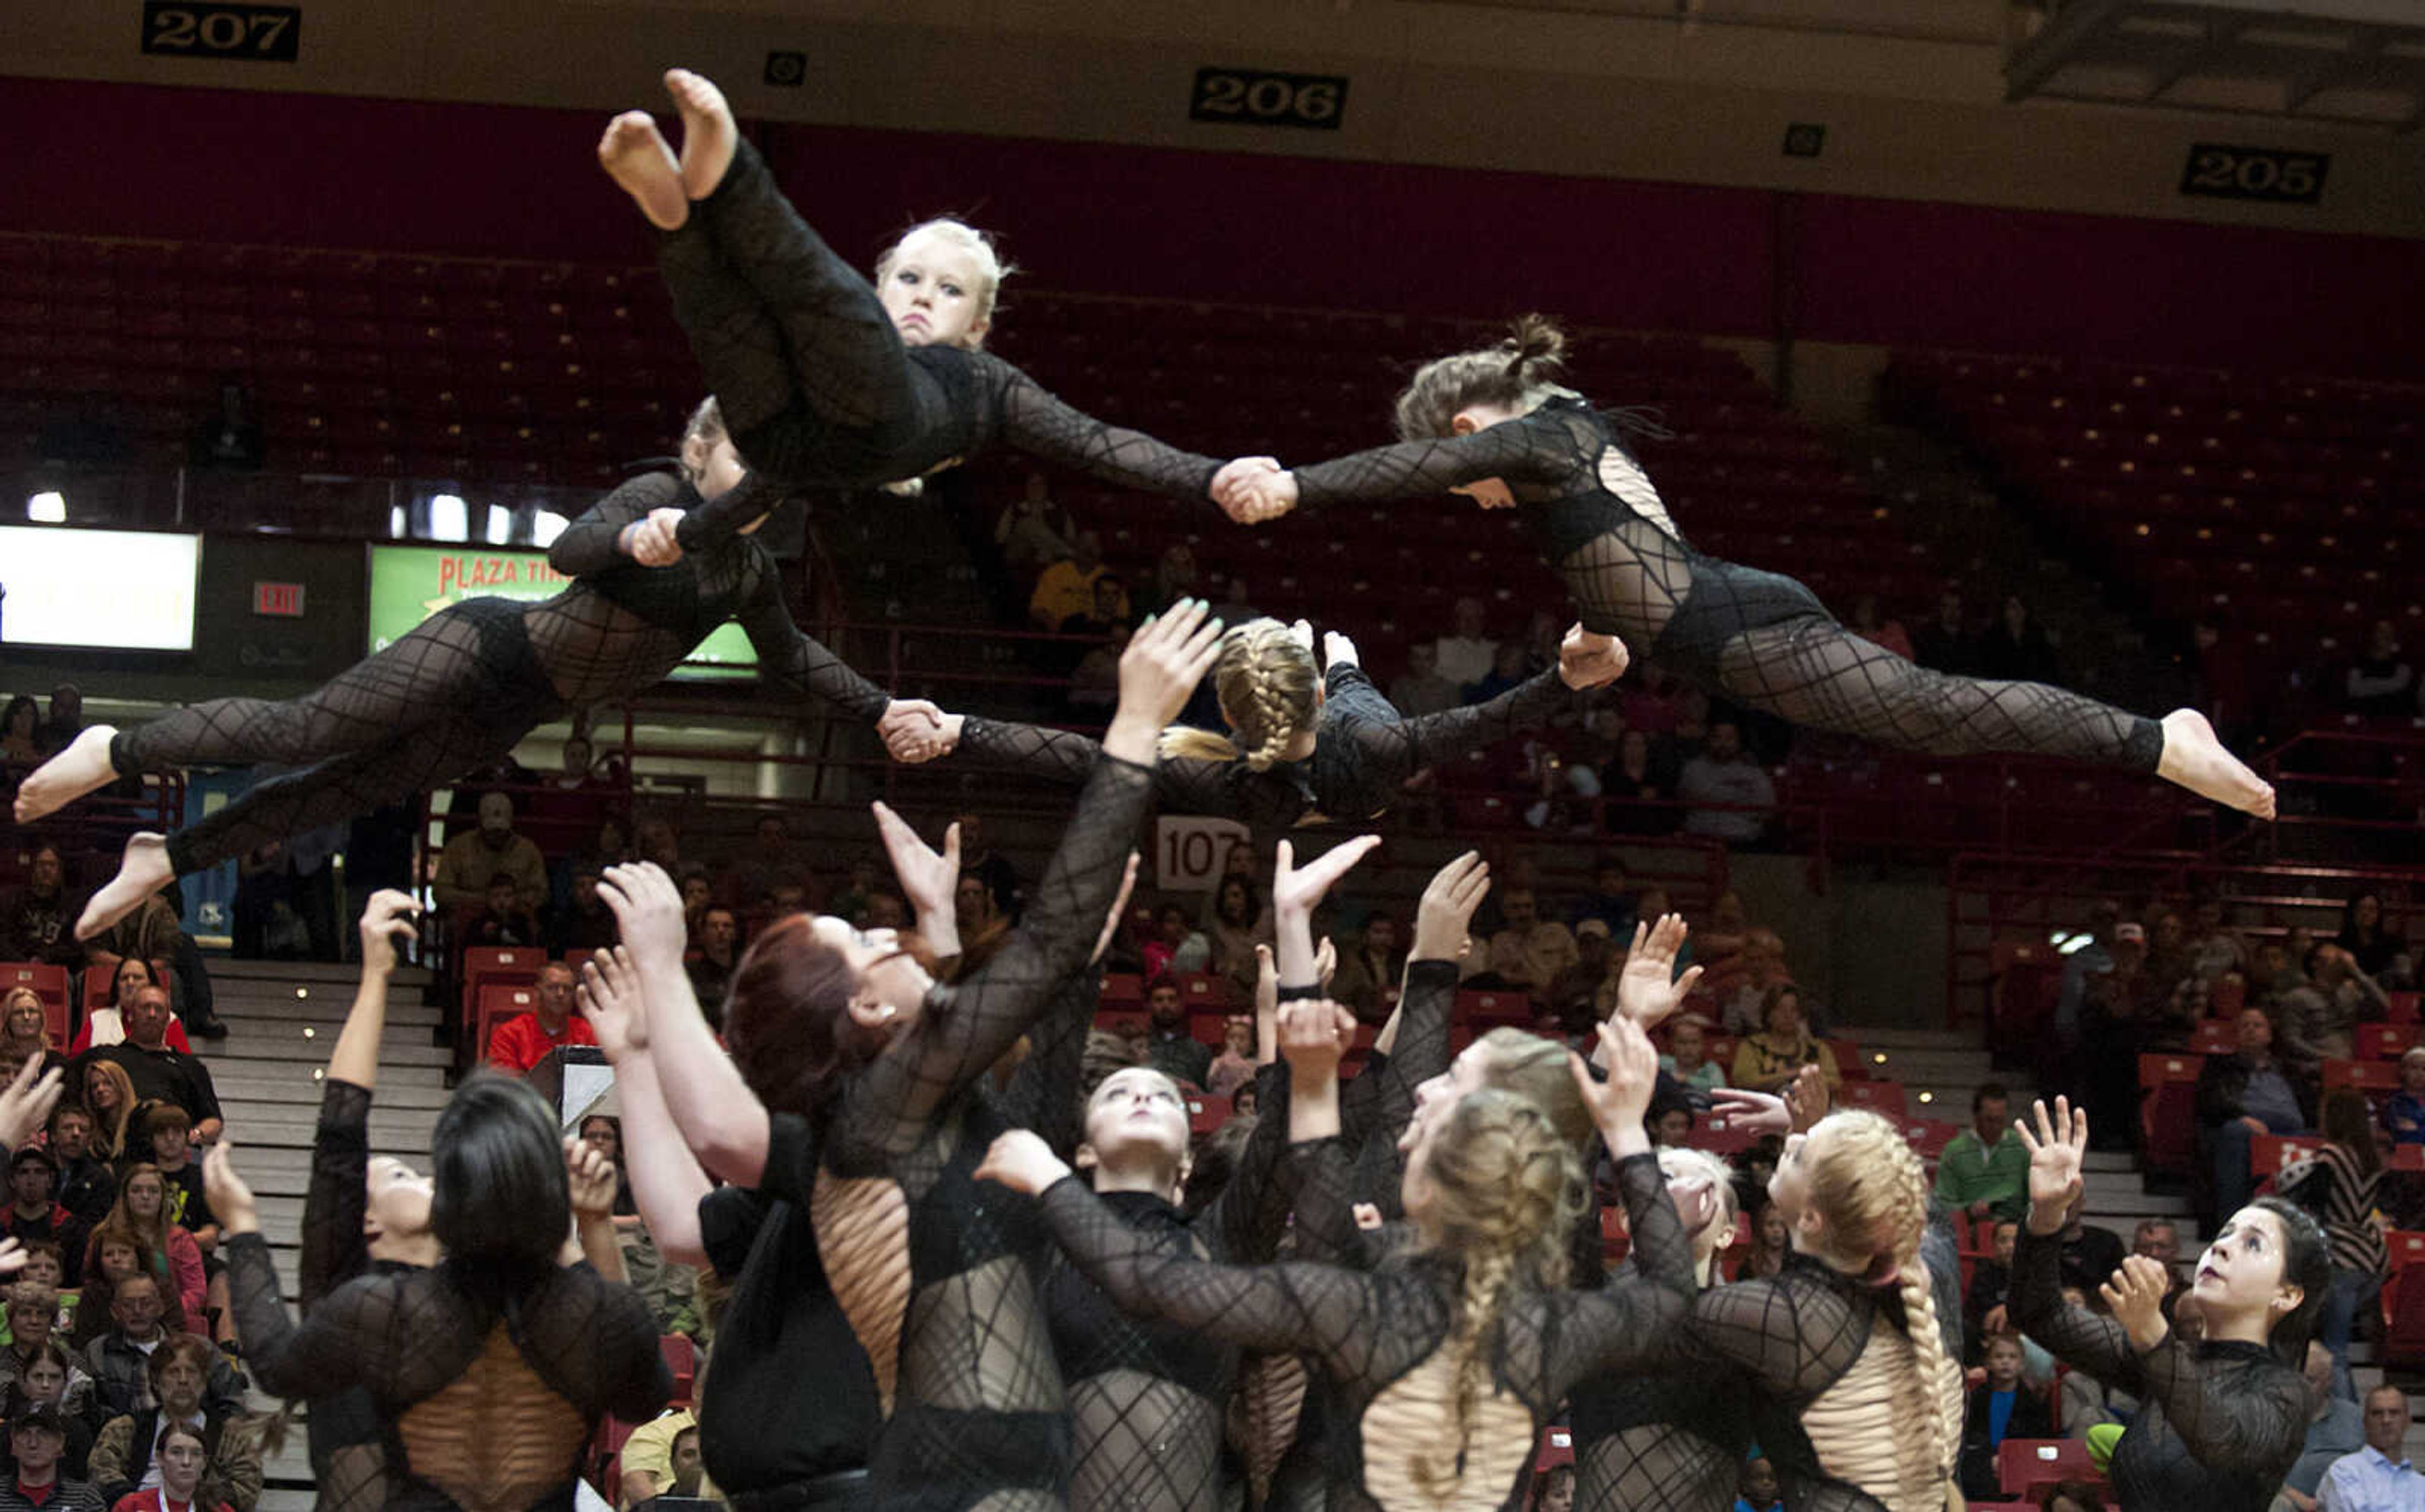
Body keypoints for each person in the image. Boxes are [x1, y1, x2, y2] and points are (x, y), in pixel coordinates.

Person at [1217, 317, 2275, 818]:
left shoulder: (1536, 439)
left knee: (1934, 714)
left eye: (1462, 475)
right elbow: (1628, 564)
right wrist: (1604, 634)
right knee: (1925, 718)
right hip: (1713, 619)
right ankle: (2150, 743)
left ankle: (2158, 738)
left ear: (1461, 427)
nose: (1470, 494)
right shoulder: (1559, 445)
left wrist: (1296, 486)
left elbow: (1456, 467)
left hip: (1731, 622)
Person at [635, 602, 1219, 1506]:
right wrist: (1133, 728)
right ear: (863, 1007)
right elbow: (1032, 965)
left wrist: (942, 931)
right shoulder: (881, 1123)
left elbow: (980, 1019)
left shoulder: (899, 1125)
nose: (886, 934)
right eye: (868, 942)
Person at [13, 400, 947, 944]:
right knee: (310, 730)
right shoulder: (660, 498)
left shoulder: (747, 571)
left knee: (341, 790)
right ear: (701, 453)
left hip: (517, 707)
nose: (753, 487)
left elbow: (795, 656)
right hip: (488, 645)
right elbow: (569, 554)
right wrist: (637, 537)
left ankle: (166, 856)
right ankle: (118, 745)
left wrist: (881, 705)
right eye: (740, 459)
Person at [977, 1009, 1698, 1511]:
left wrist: (1048, 1181)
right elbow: (1671, 1290)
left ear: (1424, 1179)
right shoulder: (1553, 1325)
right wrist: (1626, 1133)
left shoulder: (1359, 1305)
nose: (1424, 1094)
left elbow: (1148, 1280)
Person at [214, 1072, 670, 1512]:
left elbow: (275, 1365)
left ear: (450, 1195)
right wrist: (590, 1222)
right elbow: (640, 1396)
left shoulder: (391, 1308)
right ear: (546, 1189)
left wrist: (242, 1225)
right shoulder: (591, 1310)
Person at [911, 617, 1625, 842]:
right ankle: (1340, 661)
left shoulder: (1222, 774)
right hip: (1358, 756)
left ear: (1223, 715)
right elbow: (1488, 718)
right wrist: (1566, 678)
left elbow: (1077, 754)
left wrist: (959, 727)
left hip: (1302, 780)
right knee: (1361, 684)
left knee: (1354, 686)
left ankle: (1331, 657)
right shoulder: (1374, 735)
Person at [2015, 1097, 2321, 1511]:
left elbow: (2222, 1441)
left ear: (2287, 1294)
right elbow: (2039, 1313)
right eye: (2225, 1233)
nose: (2223, 1247)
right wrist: (2047, 1216)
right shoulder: (2163, 1355)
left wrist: (2153, 1334)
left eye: (2252, 1243)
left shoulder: (2287, 1390)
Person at [284, 889, 441, 1512]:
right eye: (403, 1173)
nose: (426, 1179)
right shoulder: (339, 1297)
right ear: (365, 1220)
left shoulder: (472, 1296)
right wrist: (376, 974)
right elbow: (341, 1132)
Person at [1569, 1145, 1751, 1512]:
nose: (1675, 1191)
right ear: (1625, 1219)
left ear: (1726, 1234)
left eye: (1700, 1185)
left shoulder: (1751, 1324)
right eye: (1661, 1180)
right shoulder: (1591, 1301)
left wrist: (1803, 1141)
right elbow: (1568, 1206)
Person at [85, 1335, 260, 1512]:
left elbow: (246, 1488)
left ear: (205, 1381)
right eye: (173, 1372)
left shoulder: (230, 1434)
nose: (183, 1380)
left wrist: (194, 1498)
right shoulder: (126, 1428)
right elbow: (101, 1470)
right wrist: (136, 1502)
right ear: (155, 1380)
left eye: (191, 1372)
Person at [2196, 1006, 2311, 1232]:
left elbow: (2308, 1106)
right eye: (2244, 1026)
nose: (2251, 1030)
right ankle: (2232, 1224)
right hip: (2247, 1127)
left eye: (2257, 1025)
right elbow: (2210, 1101)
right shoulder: (2220, 1066)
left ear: (2269, 1035)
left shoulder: (2289, 1069)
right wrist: (2239, 1116)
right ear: (2236, 1035)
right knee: (2233, 1132)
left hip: (2292, 1131)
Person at [2309, 1089, 2389, 1406]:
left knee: (2334, 1351)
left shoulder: (2330, 1156)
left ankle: (2350, 1423)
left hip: (2341, 1256)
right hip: (2372, 1257)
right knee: (2337, 1348)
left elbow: (2314, 1205)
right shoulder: (2369, 1156)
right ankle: (2352, 1413)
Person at [73, 991, 219, 1146]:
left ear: (168, 1020)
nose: (152, 1014)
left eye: (159, 1009)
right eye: (145, 1008)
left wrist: (193, 1137)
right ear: (130, 1016)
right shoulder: (104, 1055)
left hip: (172, 1152)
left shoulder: (190, 1066)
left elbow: (214, 1121)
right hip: (111, 1149)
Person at [89, 1167, 205, 1328]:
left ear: (163, 1198)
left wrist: (166, 1313)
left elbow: (196, 1292)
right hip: (114, 1320)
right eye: (136, 1190)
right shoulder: (104, 1234)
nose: (145, 1196)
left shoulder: (181, 1238)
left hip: (172, 1321)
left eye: (153, 1191)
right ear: (125, 1197)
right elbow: (92, 1281)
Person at [1959, 1331, 2057, 1498]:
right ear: (1988, 1363)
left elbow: (2039, 1441)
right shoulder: (1977, 1399)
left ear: (2022, 1365)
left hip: (2021, 1467)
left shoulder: (2032, 1403)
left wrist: (2010, 1459)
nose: (2006, 1362)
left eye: (2012, 1357)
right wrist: (1987, 1460)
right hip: (1981, 1467)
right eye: (1999, 1357)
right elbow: (1968, 1437)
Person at [433, 790, 549, 919]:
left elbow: (541, 893)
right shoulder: (458, 848)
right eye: (492, 830)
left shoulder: (528, 850)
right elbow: (441, 892)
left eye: (501, 831)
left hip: (515, 918)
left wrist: (510, 902)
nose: (497, 836)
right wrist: (482, 901)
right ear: (480, 823)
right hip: (468, 918)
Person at [0, 1338, 97, 1480]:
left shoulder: (79, 1433)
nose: (46, 1385)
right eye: (38, 1377)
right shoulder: (5, 1433)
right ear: (24, 1381)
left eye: (54, 1377)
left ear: (65, 1382)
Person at [1936, 1082, 2030, 1225]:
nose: (1996, 1126)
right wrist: (1969, 1210)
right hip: (1970, 1229)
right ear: (1976, 1116)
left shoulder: (2021, 1146)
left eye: (2000, 1120)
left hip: (2014, 1228)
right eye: (1990, 1120)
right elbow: (1944, 1202)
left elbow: (2033, 1195)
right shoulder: (1954, 1151)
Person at [2318, 1384, 2423, 1509]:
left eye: (2394, 1413)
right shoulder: (2344, 1471)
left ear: (2407, 1422)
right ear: (2365, 1422)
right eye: (2377, 1413)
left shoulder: (2421, 1484)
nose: (2386, 1420)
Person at [484, 961, 597, 1076]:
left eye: (567, 989)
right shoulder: (509, 1034)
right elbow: (506, 1087)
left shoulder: (588, 1033)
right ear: (537, 992)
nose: (560, 994)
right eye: (553, 987)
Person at [1727, 985, 1839, 1097]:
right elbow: (1745, 1081)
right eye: (1780, 1009)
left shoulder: (1817, 1048)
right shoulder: (1752, 1046)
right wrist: (1794, 1074)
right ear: (1769, 1015)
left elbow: (1834, 1082)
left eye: (1794, 1010)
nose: (1788, 1015)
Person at [1676, 722, 1775, 845]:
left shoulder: (1754, 773)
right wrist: (1740, 800)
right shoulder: (1692, 769)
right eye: (1717, 738)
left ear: (1739, 742)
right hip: (1699, 839)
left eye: (1729, 739)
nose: (1723, 744)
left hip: (1744, 841)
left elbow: (1767, 809)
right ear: (1708, 740)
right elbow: (1693, 797)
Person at [102, 1418, 227, 1512]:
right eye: (176, 1452)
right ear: (160, 1458)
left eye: (195, 1454)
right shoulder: (132, 1506)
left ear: (205, 1462)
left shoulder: (220, 1510)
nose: (186, 1462)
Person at [69, 964, 191, 1058]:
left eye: (138, 978)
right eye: (124, 978)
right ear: (116, 985)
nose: (130, 983)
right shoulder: (97, 1019)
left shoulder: (169, 1019)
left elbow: (184, 1065)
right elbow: (75, 1065)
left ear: (151, 984)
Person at [0, 1402, 103, 1512]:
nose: (33, 1443)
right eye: (25, 1433)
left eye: (43, 1434)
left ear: (60, 1442)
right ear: (13, 1442)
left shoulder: (86, 1499)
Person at [0, 848, 81, 968]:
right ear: (33, 869)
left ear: (60, 871)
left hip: (57, 969)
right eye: (41, 864)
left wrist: (44, 959)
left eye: (52, 865)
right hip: (15, 965)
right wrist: (24, 963)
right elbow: (3, 940)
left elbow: (75, 947)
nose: (46, 869)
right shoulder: (11, 899)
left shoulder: (72, 905)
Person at [2335, 893, 2410, 987]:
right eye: (2361, 908)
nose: (2366, 913)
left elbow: (2403, 974)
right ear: (2352, 912)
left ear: (2379, 914)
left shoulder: (2394, 943)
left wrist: (2369, 982)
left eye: (2371, 909)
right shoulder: (2339, 944)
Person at [75, 1066, 137, 1170]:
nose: (100, 1089)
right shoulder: (94, 1134)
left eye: (108, 1083)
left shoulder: (140, 1120)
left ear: (121, 1085)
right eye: (95, 1086)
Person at [0, 995, 63, 1091]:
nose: (26, 1017)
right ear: (8, 1020)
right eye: (19, 1013)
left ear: (41, 1019)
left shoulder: (57, 1062)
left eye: (32, 1011)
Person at [1656, 1018, 1724, 1097]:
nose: (1688, 1048)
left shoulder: (1711, 1068)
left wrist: (1688, 1080)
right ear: (1672, 1045)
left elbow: (1720, 1092)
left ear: (1703, 1046)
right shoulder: (1662, 1063)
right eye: (1682, 1042)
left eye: (1694, 1042)